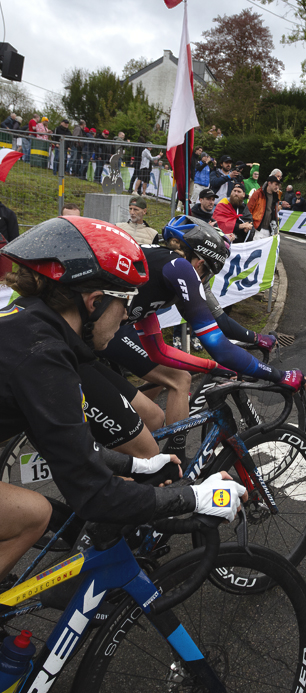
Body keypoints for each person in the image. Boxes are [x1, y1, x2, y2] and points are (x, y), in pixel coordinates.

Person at [0, 218, 246, 581]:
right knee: (34, 513)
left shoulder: (32, 325)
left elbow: (65, 445)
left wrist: (135, 467)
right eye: (126, 302)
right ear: (95, 301)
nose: (129, 315)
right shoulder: (44, 358)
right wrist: (195, 498)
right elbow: (93, 494)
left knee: (36, 514)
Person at [99, 216, 300, 460]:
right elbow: (218, 345)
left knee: (155, 416)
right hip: (83, 346)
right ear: (198, 261)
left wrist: (212, 366)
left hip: (92, 344)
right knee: (149, 442)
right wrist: (281, 376)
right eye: (207, 271)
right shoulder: (180, 268)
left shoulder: (156, 270)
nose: (204, 280)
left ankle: (161, 459)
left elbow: (158, 352)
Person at [247, 174, 280, 239]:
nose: (277, 187)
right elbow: (248, 210)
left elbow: (274, 213)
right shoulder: (258, 193)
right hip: (257, 229)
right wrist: (250, 225)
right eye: (276, 184)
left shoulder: (276, 197)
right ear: (269, 183)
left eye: (278, 185)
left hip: (270, 230)